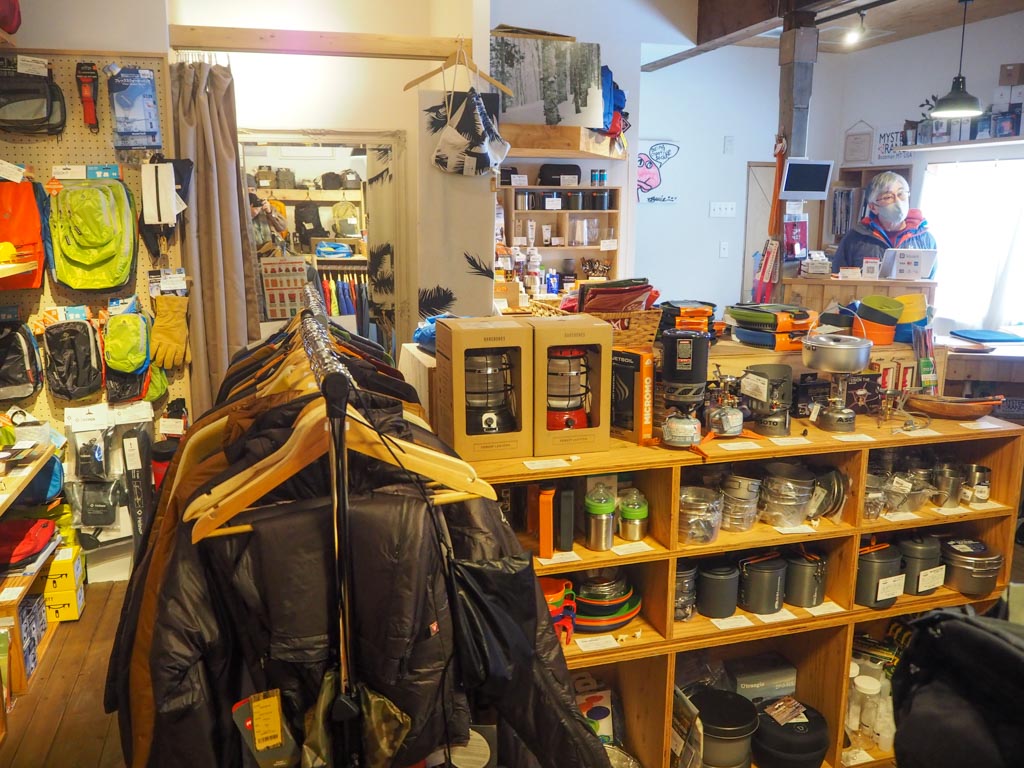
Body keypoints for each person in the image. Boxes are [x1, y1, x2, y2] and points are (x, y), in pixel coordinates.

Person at [832, 171, 936, 273]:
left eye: (901, 194)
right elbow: (838, 280)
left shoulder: (924, 238)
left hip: (910, 291)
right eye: (888, 197)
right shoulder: (855, 238)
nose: (898, 201)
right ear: (873, 207)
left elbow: (929, 284)